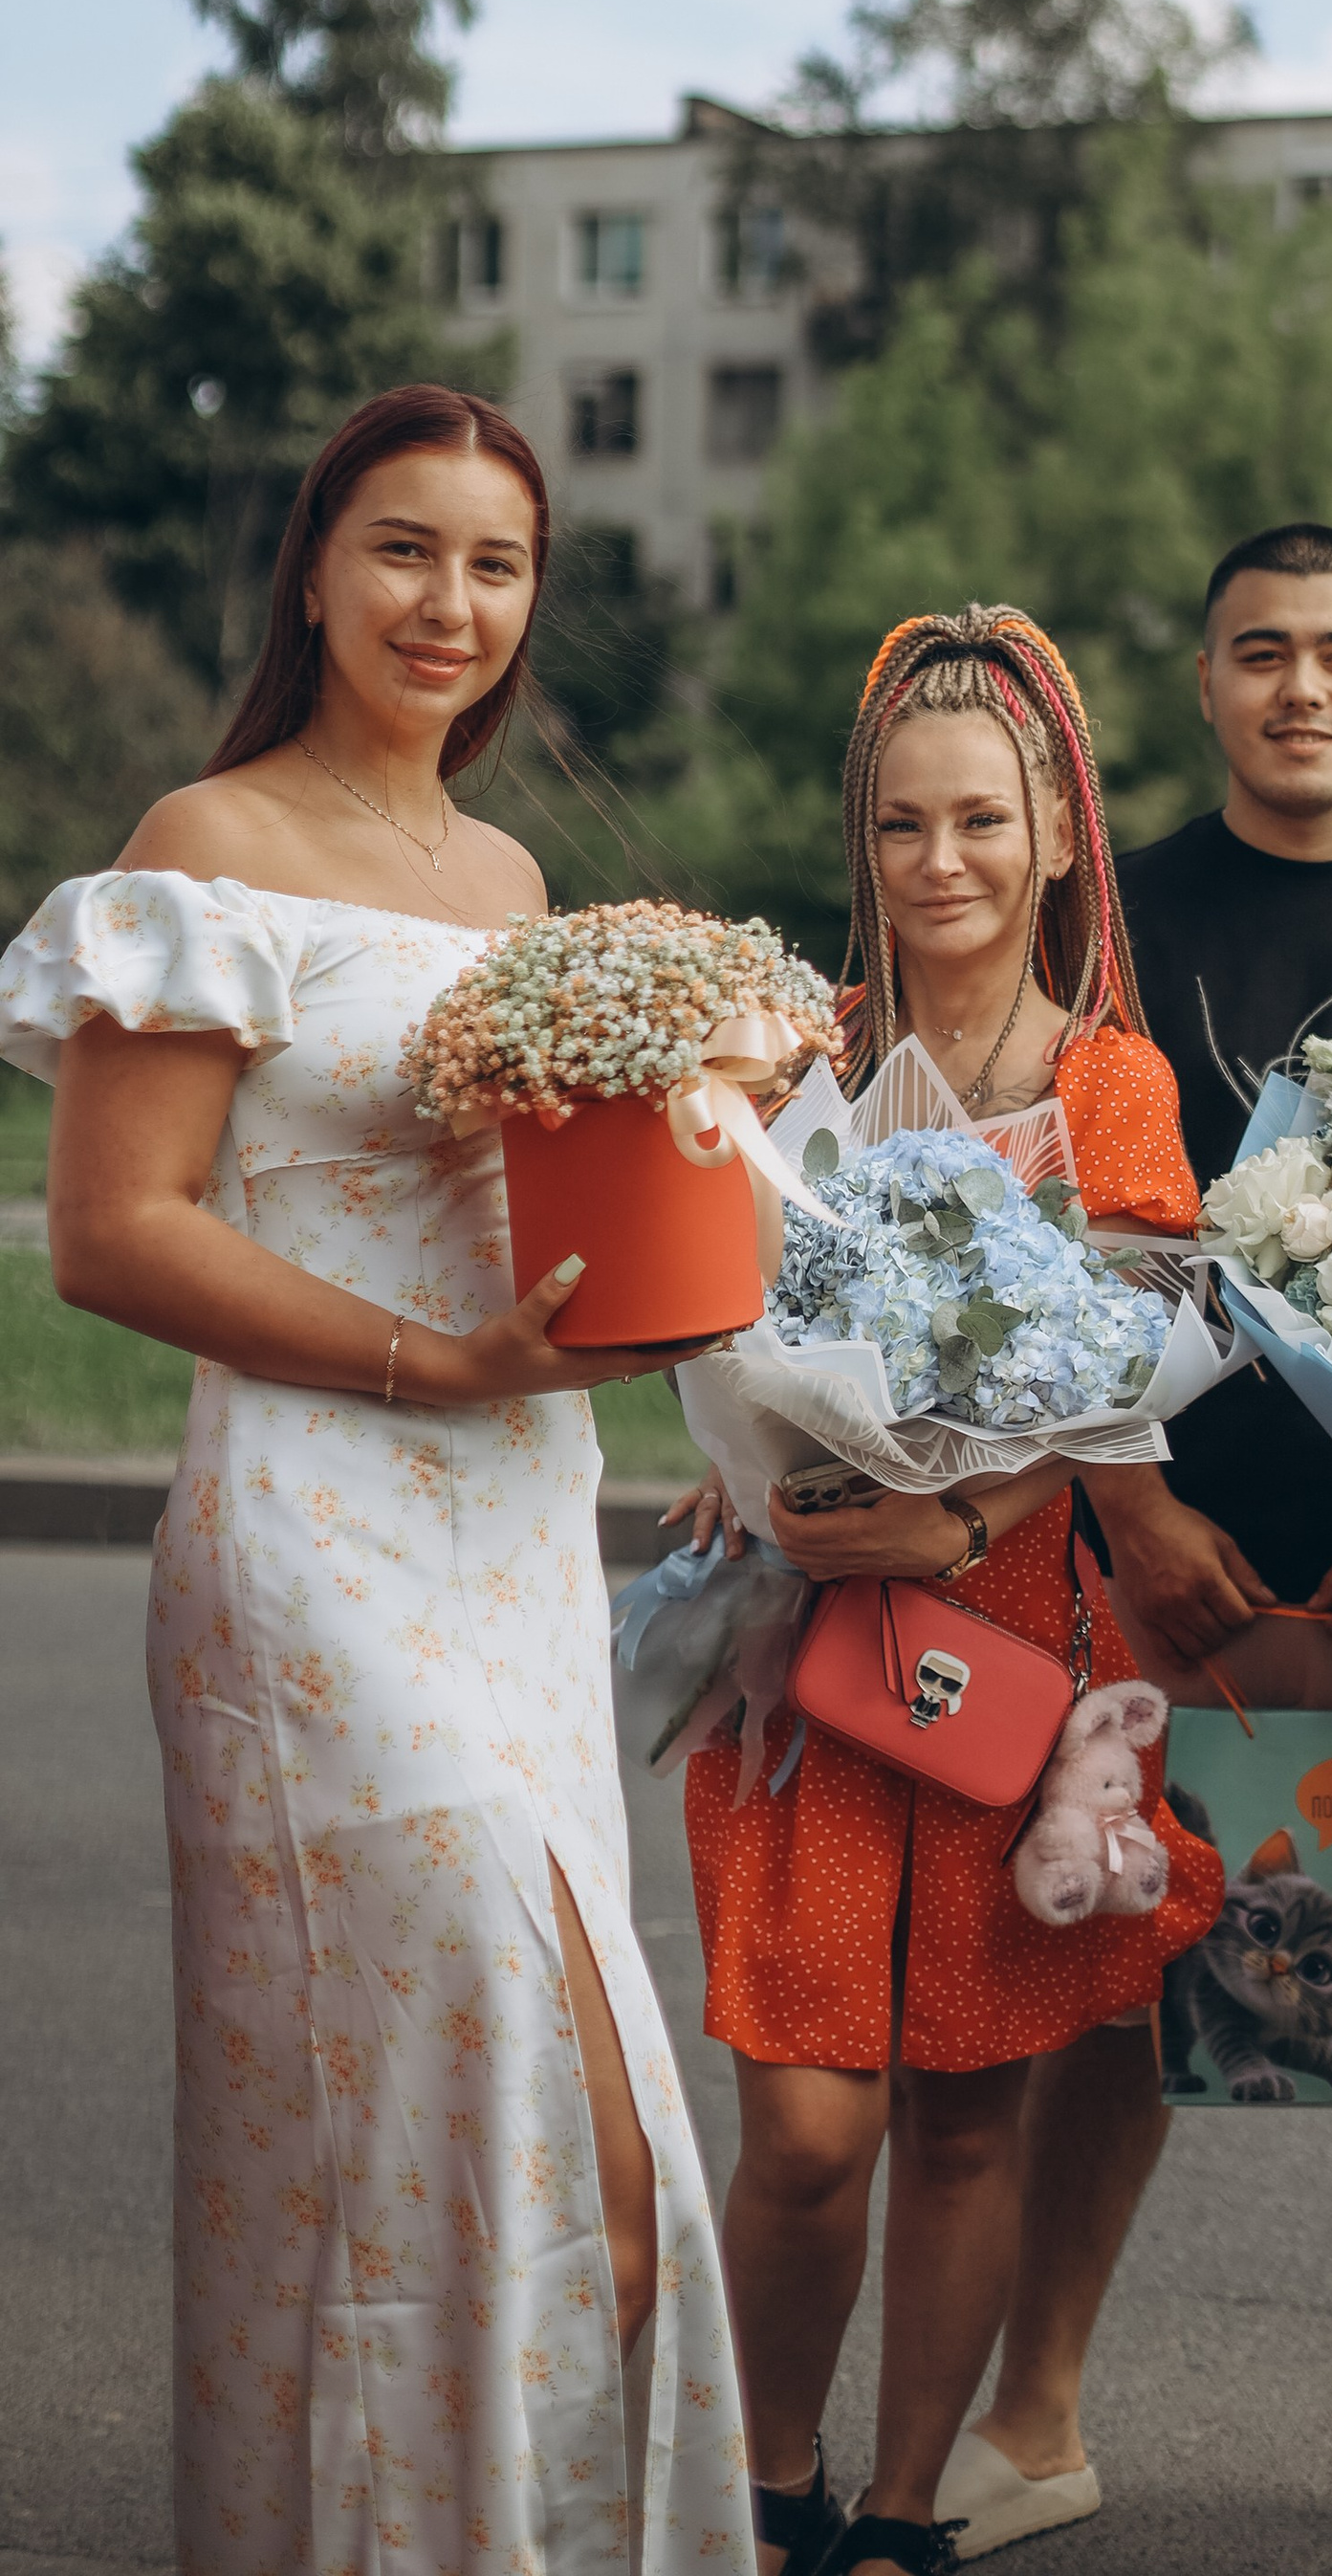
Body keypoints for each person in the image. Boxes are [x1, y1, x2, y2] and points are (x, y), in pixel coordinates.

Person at [0, 384, 753, 2573]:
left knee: (580, 2159)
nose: (450, 601)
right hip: (316, 1542)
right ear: (315, 571)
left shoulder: (509, 881)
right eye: (405, 548)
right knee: (428, 2133)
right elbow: (111, 1232)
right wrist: (440, 1359)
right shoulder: (206, 839)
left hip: (513, 1532)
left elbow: (546, 1217)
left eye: (496, 563)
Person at [955, 524, 1332, 2557]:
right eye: (1262, 651)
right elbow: (1038, 1228)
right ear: (1203, 683)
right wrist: (1127, 1500)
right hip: (1140, 1534)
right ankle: (1032, 2420)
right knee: (1117, 1985)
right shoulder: (1104, 924)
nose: (1303, 687)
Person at [678, 607, 1224, 2576]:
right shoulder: (795, 1050)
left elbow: (1134, 1369)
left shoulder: (1110, 1082)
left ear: (1058, 835)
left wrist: (957, 1518)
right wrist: (741, 1450)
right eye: (901, 823)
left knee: (975, 2116)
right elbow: (708, 1299)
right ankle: (764, 2484)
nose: (940, 861)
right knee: (809, 2129)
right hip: (804, 1631)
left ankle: (904, 2510)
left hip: (1003, 1647)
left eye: (981, 820)